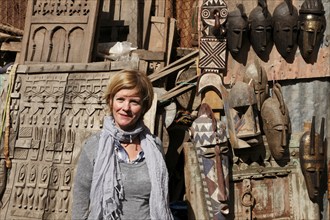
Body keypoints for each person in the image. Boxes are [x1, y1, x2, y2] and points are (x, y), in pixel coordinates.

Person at [72, 69, 173, 220]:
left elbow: (162, 198)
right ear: (110, 101)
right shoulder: (94, 146)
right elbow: (80, 201)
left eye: (134, 102)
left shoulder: (154, 146)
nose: (126, 108)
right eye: (120, 99)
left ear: (144, 107)